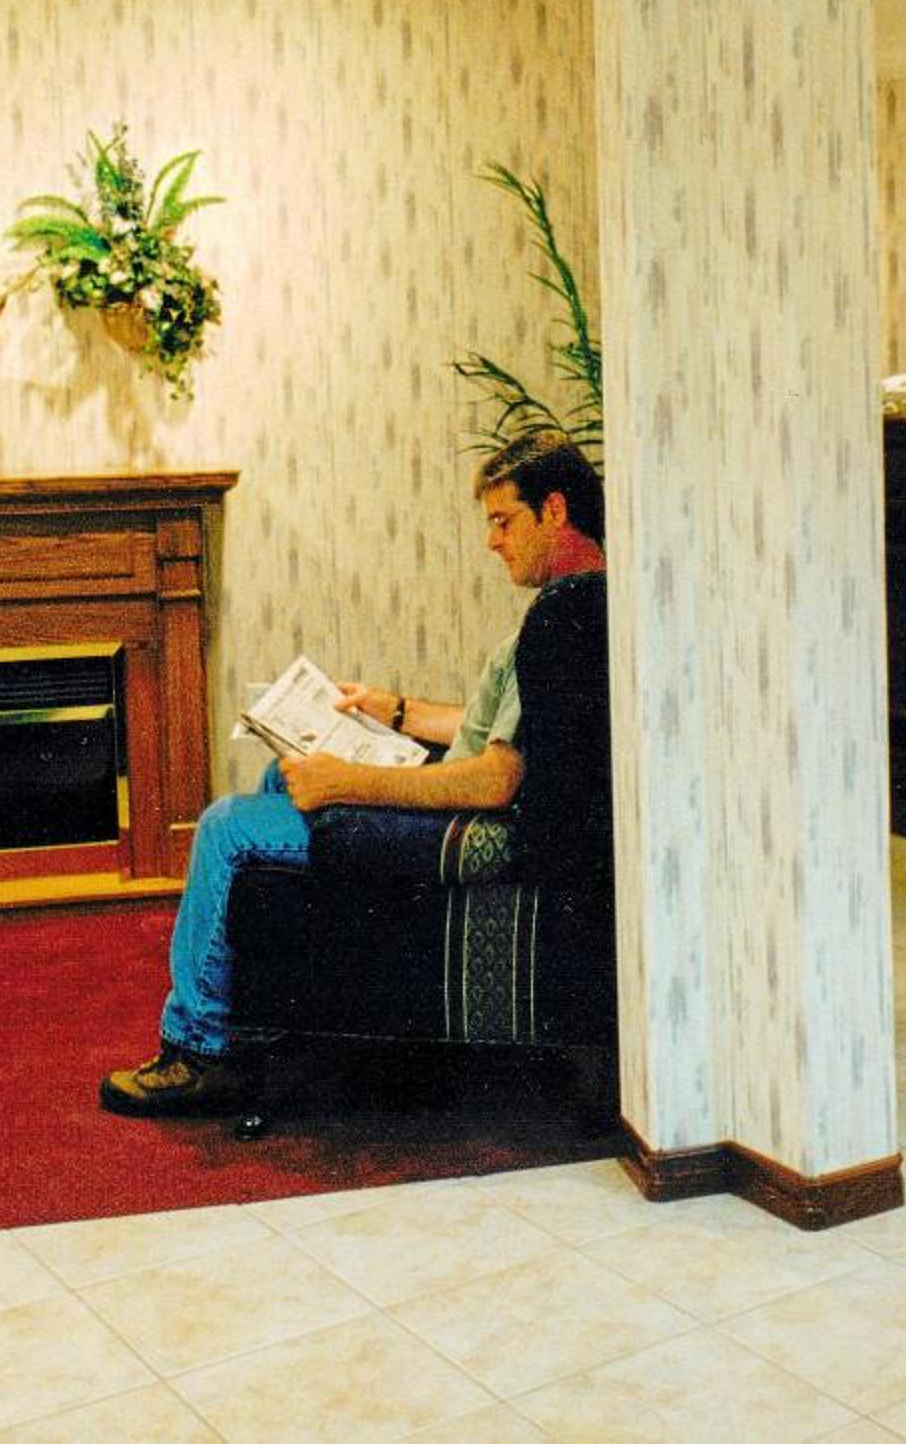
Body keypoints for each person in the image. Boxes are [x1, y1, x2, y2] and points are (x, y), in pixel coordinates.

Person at [100, 431, 610, 1115]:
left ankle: (199, 1052)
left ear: (555, 509)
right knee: (280, 781)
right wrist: (391, 710)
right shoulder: (576, 607)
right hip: (465, 802)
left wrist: (347, 781)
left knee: (224, 827)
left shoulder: (559, 619)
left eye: (503, 520)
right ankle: (263, 1011)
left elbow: (496, 779)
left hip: (469, 827)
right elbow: (493, 729)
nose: (492, 541)